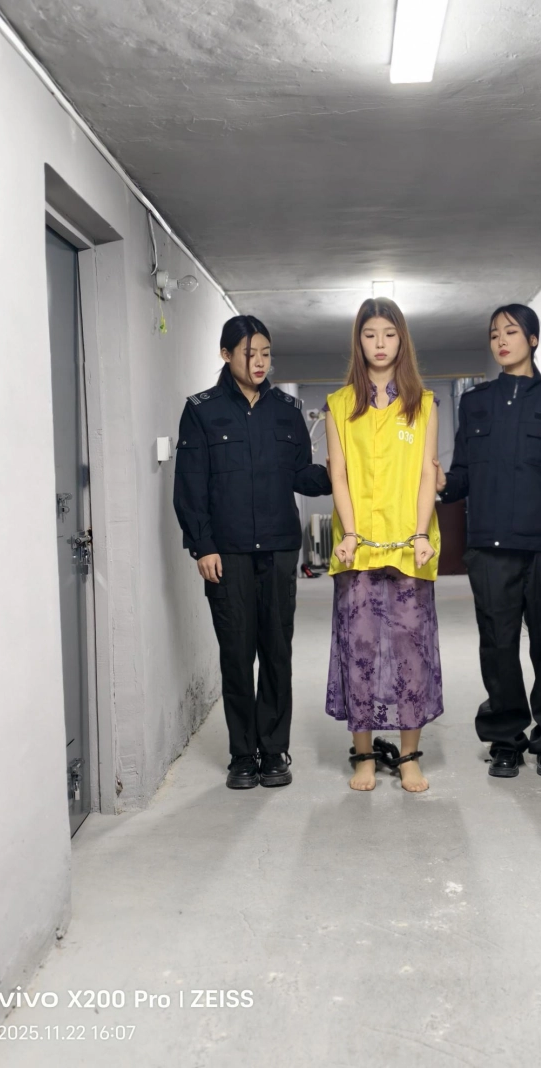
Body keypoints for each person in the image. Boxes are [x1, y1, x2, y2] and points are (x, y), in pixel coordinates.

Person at [436, 304, 541, 779]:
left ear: (533, 340)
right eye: (494, 334)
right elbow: (464, 473)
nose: (501, 341)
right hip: (490, 545)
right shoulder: (476, 403)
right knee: (498, 644)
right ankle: (505, 738)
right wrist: (443, 483)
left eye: (511, 332)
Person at [173, 315, 331, 790]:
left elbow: (301, 474)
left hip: (280, 550)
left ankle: (275, 750)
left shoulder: (287, 409)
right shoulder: (201, 411)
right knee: (237, 655)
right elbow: (190, 486)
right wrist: (202, 545)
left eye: (265, 353)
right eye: (249, 353)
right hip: (229, 554)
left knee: (277, 652)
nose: (259, 362)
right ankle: (243, 754)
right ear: (226, 355)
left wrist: (339, 473)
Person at [325, 298, 443, 793]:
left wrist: (421, 533)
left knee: (411, 649)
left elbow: (426, 476)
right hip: (358, 547)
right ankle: (364, 756)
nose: (379, 343)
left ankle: (410, 757)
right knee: (360, 649)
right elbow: (338, 475)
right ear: (359, 340)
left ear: (401, 340)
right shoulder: (338, 405)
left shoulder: (424, 404)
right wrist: (350, 534)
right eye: (370, 334)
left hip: (410, 545)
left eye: (389, 334)